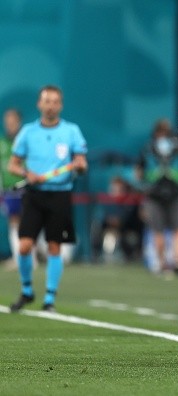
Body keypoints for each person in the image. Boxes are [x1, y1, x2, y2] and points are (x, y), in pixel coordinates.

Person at [8, 85, 88, 312]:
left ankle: (50, 298)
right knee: (24, 246)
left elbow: (81, 163)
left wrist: (80, 166)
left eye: (55, 101)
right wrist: (27, 173)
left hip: (60, 193)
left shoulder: (71, 131)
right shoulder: (28, 132)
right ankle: (26, 291)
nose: (51, 105)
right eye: (47, 101)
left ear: (60, 105)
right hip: (34, 194)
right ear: (39, 104)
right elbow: (12, 164)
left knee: (55, 246)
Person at [135, 118, 178, 275]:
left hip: (156, 194)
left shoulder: (148, 148)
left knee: (160, 230)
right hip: (173, 192)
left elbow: (139, 173)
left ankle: (164, 262)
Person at [1, 108, 23, 268]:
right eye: (7, 121)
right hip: (9, 189)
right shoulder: (2, 143)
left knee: (31, 222)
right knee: (13, 221)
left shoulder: (25, 141)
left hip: (27, 187)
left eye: (12, 121)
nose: (10, 125)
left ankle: (32, 256)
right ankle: (19, 257)